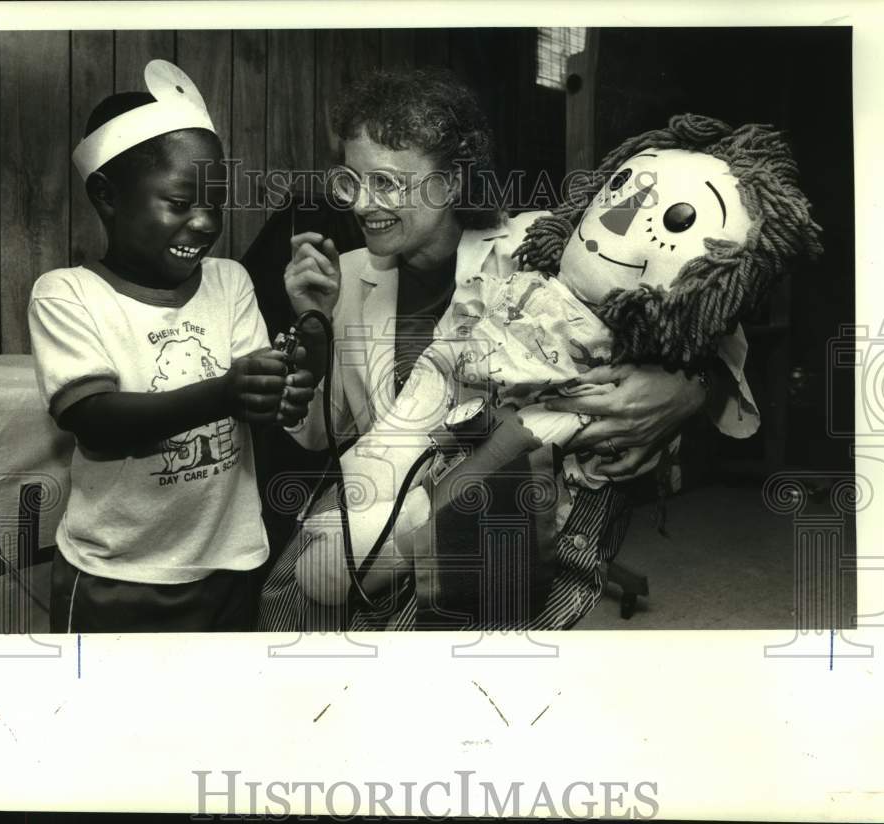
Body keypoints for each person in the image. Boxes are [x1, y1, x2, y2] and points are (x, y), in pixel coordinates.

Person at [259, 69, 759, 630]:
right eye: (351, 181)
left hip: (519, 505)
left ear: (451, 184)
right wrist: (313, 333)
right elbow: (320, 437)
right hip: (390, 499)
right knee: (293, 609)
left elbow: (707, 313)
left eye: (388, 183)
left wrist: (687, 389)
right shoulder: (347, 279)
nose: (362, 204)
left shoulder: (543, 244)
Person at [27, 60, 315, 633]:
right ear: (108, 197)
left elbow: (255, 404)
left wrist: (280, 393)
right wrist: (229, 392)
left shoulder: (229, 280)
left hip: (230, 564)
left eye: (216, 203)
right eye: (180, 204)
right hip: (117, 576)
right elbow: (97, 424)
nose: (205, 223)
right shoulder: (67, 294)